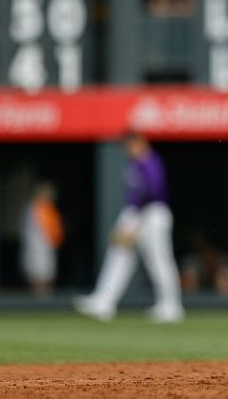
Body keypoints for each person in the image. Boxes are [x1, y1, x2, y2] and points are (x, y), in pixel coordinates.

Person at [73, 131, 184, 323]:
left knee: (159, 261)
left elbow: (152, 193)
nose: (129, 149)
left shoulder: (151, 162)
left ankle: (171, 306)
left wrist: (132, 224)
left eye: (131, 145)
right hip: (135, 213)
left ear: (141, 142)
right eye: (126, 146)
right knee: (118, 256)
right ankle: (103, 302)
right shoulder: (135, 164)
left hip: (153, 214)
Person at [19, 182, 64, 297]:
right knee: (36, 276)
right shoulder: (33, 209)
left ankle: (46, 300)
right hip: (35, 248)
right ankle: (38, 301)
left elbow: (55, 231)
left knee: (48, 276)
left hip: (47, 248)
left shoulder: (49, 209)